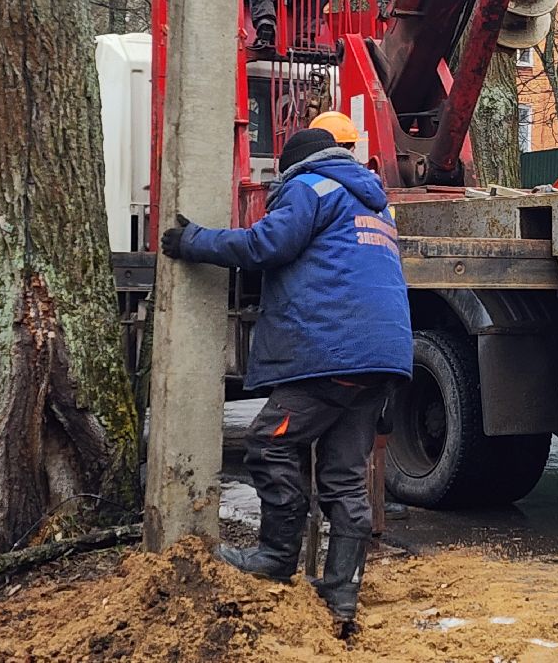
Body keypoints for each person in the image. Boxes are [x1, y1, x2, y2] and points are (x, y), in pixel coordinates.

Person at [160, 126, 412, 622]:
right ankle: (340, 597)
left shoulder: (309, 185)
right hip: (380, 355)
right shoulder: (376, 205)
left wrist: (194, 241)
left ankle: (275, 559)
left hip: (330, 348)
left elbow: (265, 245)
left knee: (270, 443)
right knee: (342, 478)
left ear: (292, 164)